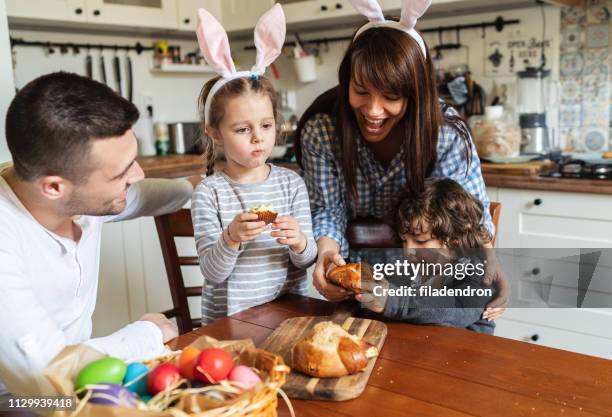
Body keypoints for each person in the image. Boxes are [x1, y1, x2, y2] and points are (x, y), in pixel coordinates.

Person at [297, 0, 507, 316]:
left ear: (415, 93)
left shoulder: (445, 134)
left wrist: (491, 264)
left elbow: (467, 218)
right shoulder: (322, 130)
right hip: (363, 289)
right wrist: (326, 254)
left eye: (392, 97)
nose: (373, 110)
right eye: (361, 90)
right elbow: (329, 209)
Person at [0, 72, 193, 396]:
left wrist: (198, 187)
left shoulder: (75, 196)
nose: (139, 174)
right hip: (18, 403)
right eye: (122, 173)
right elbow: (48, 374)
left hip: (83, 388)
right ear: (54, 187)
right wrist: (145, 335)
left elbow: (146, 195)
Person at [191, 5, 317, 324]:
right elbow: (213, 272)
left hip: (290, 318)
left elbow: (306, 261)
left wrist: (299, 241)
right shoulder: (209, 193)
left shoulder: (292, 184)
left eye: (265, 125)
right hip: (231, 324)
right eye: (242, 129)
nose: (258, 138)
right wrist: (231, 236)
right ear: (214, 134)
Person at [356, 177, 505, 334]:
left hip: (466, 353)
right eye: (404, 240)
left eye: (420, 241)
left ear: (453, 240)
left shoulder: (478, 272)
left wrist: (392, 301)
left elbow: (453, 311)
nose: (408, 251)